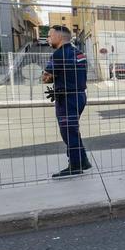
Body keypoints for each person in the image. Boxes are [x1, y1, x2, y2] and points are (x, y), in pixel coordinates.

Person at [42, 24, 91, 179]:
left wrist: (49, 76)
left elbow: (45, 78)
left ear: (59, 37)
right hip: (80, 96)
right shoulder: (79, 53)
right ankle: (83, 161)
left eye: (50, 35)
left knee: (68, 133)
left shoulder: (58, 55)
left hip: (67, 97)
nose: (48, 38)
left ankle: (75, 166)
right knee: (73, 130)